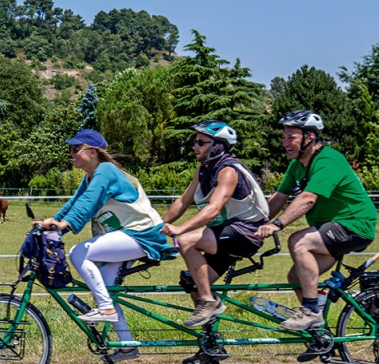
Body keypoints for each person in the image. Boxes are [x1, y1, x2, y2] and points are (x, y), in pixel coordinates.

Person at [34, 128, 175, 362]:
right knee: (106, 291)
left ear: (92, 152)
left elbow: (88, 203)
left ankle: (106, 309)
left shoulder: (106, 171)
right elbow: (75, 203)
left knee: (79, 252)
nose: (71, 153)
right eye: (70, 149)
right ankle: (127, 346)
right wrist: (53, 224)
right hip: (127, 236)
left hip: (143, 235)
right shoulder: (91, 176)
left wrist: (63, 225)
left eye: (75, 149)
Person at [256, 110, 377, 335]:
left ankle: (311, 311)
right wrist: (253, 225)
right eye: (283, 137)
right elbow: (278, 198)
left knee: (298, 241)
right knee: (295, 277)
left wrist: (277, 224)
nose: (285, 143)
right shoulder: (297, 165)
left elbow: (308, 198)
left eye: (291, 137)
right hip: (331, 227)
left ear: (309, 137)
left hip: (355, 224)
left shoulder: (328, 160)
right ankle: (320, 335)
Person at [160, 120, 269, 327]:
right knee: (193, 282)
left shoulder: (228, 171)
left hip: (246, 232)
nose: (195, 146)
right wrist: (158, 226)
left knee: (186, 241)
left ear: (218, 145)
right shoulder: (203, 170)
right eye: (195, 142)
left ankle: (209, 302)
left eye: (201, 142)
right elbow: (183, 201)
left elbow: (214, 209)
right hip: (225, 233)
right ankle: (209, 338)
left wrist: (180, 229)